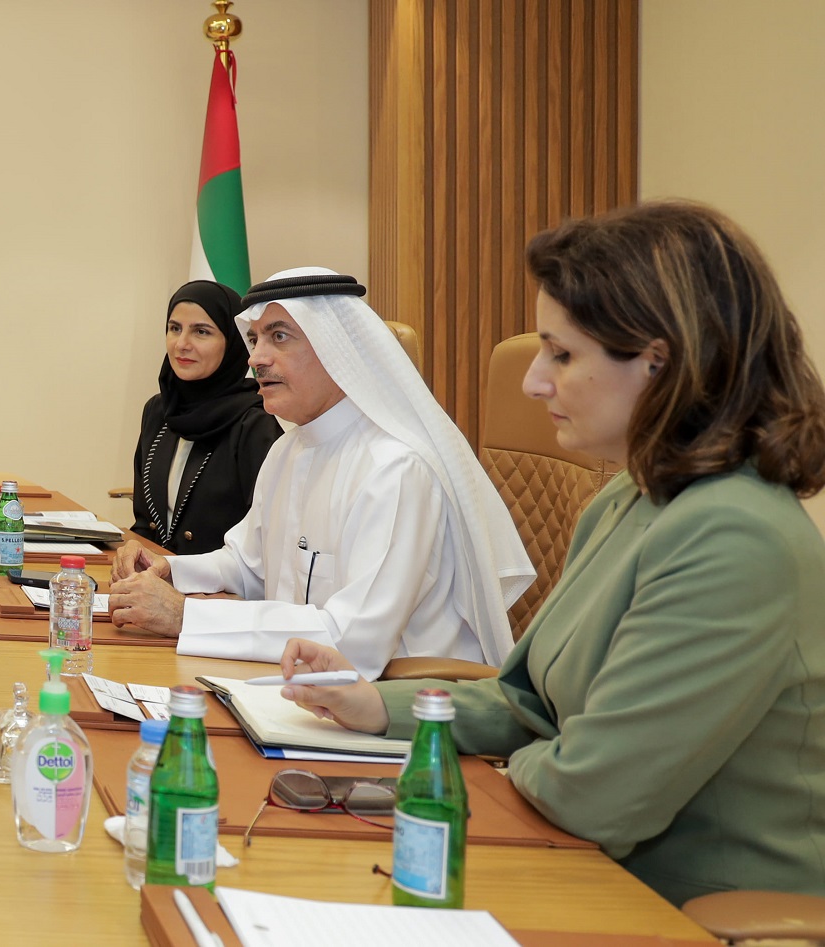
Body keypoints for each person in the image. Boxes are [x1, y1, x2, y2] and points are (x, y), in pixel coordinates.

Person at [279, 202, 825, 905]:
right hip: (572, 859)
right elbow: (527, 701)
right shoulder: (629, 496)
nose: (535, 381)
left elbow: (599, 794)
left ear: (660, 362)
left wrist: (521, 764)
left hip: (681, 907)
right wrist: (375, 707)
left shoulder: (733, 535)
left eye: (562, 354)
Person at [109, 268, 535, 679]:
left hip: (398, 703)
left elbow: (351, 641)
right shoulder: (289, 449)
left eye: (279, 337)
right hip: (299, 684)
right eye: (255, 339)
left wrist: (185, 615)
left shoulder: (396, 469)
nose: (256, 358)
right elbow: (247, 564)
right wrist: (170, 570)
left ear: (337, 349)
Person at [116, 280, 281, 559]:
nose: (182, 344)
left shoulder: (256, 423)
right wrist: (133, 548)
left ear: (232, 341)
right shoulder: (159, 411)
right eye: (174, 328)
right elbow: (145, 522)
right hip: (156, 577)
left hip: (222, 583)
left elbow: (264, 544)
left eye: (201, 332)